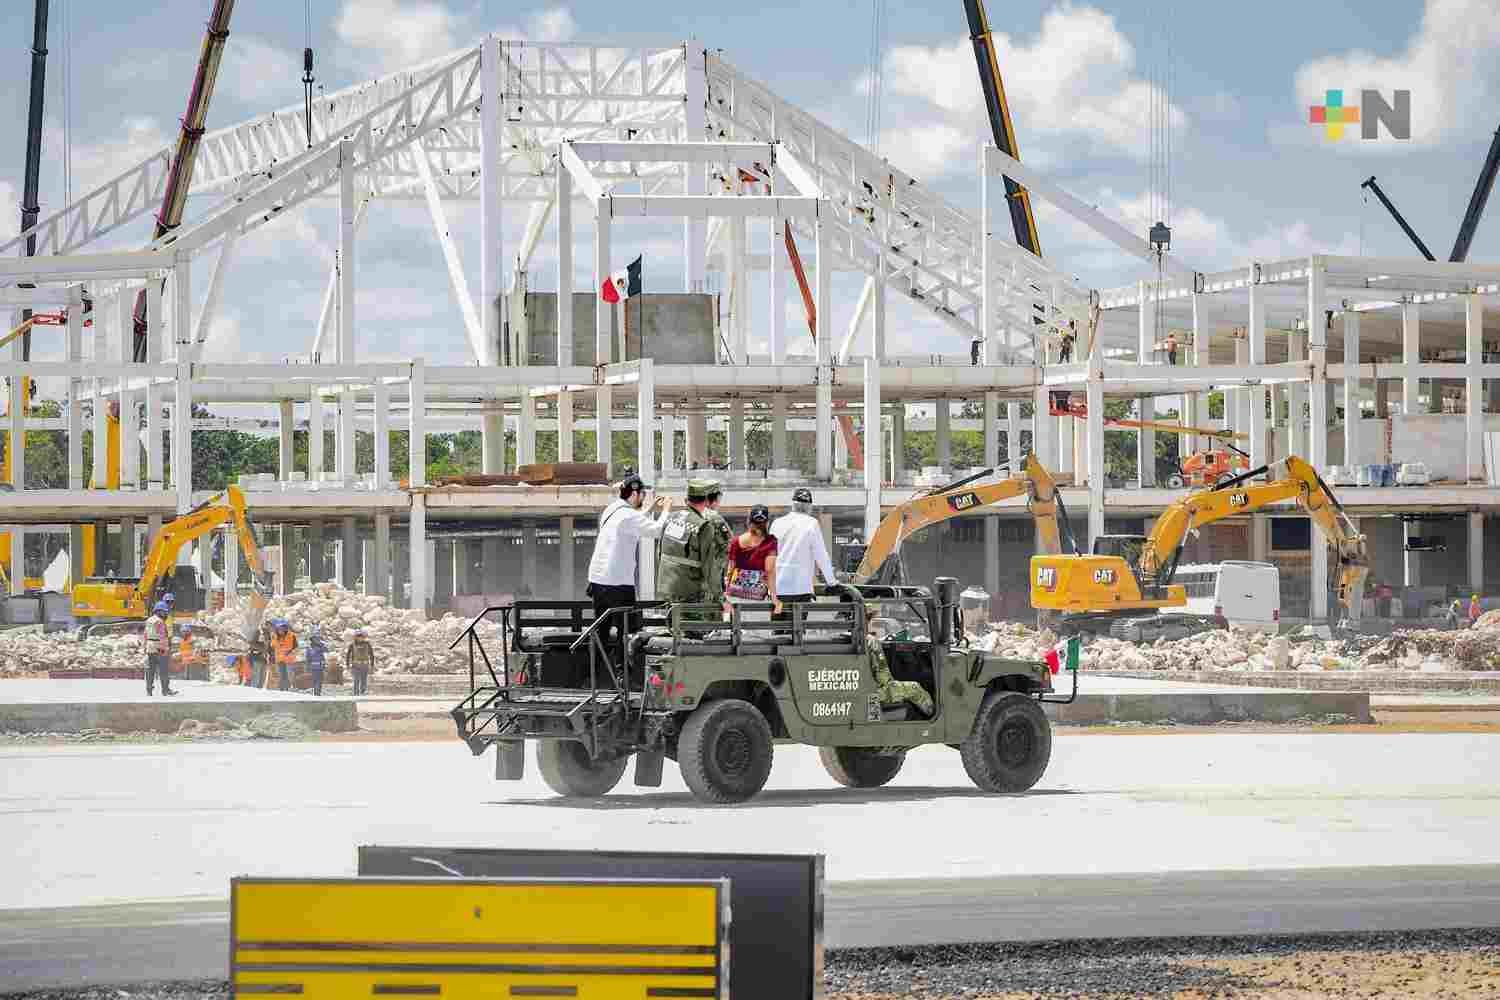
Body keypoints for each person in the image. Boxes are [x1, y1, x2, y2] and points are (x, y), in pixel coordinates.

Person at [587, 473, 672, 648]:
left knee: (602, 629)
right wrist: (666, 510)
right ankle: (621, 669)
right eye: (643, 495)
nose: (643, 498)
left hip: (598, 579)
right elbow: (656, 531)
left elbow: (633, 520)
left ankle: (593, 670)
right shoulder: (629, 516)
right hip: (618, 583)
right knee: (625, 631)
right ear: (634, 494)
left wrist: (649, 509)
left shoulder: (611, 510)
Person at [657, 478, 732, 622]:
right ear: (706, 500)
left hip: (667, 588)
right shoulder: (704, 526)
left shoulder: (671, 518)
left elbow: (660, 553)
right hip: (692, 591)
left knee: (675, 628)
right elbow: (710, 566)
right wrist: (721, 598)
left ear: (687, 499)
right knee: (699, 634)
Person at [770, 488, 839, 622]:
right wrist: (832, 582)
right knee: (797, 633)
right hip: (801, 588)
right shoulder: (811, 524)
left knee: (777, 631)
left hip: (779, 587)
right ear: (809, 507)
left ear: (792, 504)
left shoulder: (777, 523)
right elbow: (821, 555)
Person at [865, 606, 932, 717]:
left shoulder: (863, 640)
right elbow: (881, 677)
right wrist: (891, 685)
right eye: (870, 619)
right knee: (915, 688)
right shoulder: (871, 642)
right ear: (866, 621)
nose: (871, 623)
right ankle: (934, 717)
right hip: (876, 692)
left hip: (870, 689)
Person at [724, 505, 781, 617]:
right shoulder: (771, 542)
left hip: (736, 596)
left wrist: (726, 594)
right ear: (767, 522)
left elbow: (730, 569)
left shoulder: (736, 541)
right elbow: (769, 570)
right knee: (758, 631)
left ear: (748, 521)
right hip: (758, 597)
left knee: (737, 630)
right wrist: (774, 598)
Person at [142, 602, 175, 697]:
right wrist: (166, 648)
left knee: (150, 670)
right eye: (164, 612)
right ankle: (165, 690)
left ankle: (149, 690)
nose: (165, 614)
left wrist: (145, 647)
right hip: (159, 647)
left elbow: (145, 634)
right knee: (163, 669)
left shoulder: (148, 620)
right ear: (159, 611)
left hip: (150, 647)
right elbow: (162, 636)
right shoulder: (160, 622)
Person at [345, 628, 375, 696]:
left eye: (361, 636)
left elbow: (371, 655)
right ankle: (356, 695)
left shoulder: (367, 644)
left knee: (364, 681)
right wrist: (347, 665)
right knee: (356, 681)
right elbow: (348, 655)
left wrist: (372, 665)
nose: (360, 637)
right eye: (358, 636)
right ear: (355, 637)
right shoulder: (352, 645)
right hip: (356, 665)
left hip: (365, 665)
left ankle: (363, 694)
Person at [272, 620, 298, 691]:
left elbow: (295, 646)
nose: (281, 630)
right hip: (279, 659)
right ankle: (282, 689)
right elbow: (273, 647)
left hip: (288, 658)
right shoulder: (274, 636)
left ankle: (287, 688)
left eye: (282, 628)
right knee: (281, 675)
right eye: (279, 628)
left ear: (285, 628)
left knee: (288, 674)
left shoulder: (291, 635)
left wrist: (290, 652)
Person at [305, 626, 328, 696]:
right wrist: (307, 667)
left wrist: (320, 644)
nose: (317, 639)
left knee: (320, 681)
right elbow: (308, 659)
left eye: (317, 638)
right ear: (312, 639)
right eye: (315, 638)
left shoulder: (321, 646)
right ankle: (316, 694)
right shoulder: (309, 648)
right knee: (316, 681)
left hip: (321, 667)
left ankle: (318, 693)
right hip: (314, 668)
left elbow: (326, 649)